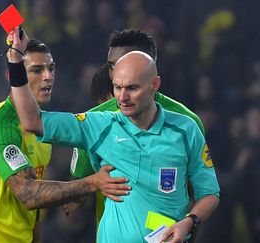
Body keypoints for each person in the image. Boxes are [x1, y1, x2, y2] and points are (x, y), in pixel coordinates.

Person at [7, 27, 220, 242]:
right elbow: (33, 121)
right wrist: (15, 62)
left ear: (154, 85)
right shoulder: (100, 124)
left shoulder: (186, 129)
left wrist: (189, 222)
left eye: (132, 88)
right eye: (117, 87)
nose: (122, 97)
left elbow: (209, 193)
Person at [0, 39, 127, 243]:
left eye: (51, 68)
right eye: (37, 70)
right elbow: (27, 193)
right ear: (14, 76)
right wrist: (92, 182)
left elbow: (34, 206)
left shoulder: (41, 129)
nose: (48, 76)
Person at [68, 29, 207, 229]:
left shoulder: (187, 123)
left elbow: (199, 196)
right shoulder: (94, 121)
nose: (117, 73)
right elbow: (76, 192)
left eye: (124, 64)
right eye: (111, 67)